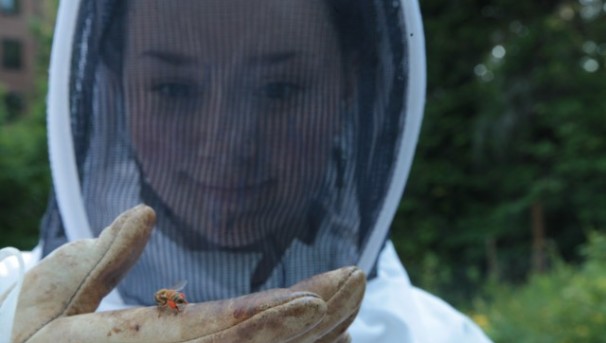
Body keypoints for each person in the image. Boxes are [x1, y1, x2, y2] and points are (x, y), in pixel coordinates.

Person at [0, 0, 492, 342]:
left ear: (347, 87)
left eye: (279, 89)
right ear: (117, 90)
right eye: (173, 89)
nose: (224, 145)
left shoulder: (440, 336)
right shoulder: (8, 304)